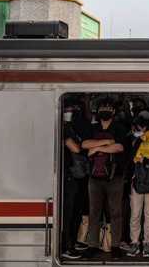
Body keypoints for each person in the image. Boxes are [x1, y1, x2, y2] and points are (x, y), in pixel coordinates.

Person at [81, 97, 129, 261]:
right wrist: (108, 142)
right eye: (103, 108)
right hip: (94, 177)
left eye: (109, 108)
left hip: (115, 177)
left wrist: (97, 148)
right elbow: (84, 144)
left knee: (115, 212)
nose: (105, 111)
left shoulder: (120, 128)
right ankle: (91, 245)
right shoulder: (92, 128)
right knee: (94, 212)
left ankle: (115, 246)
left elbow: (120, 147)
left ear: (114, 111)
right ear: (97, 110)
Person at [127, 113, 149, 258]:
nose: (136, 133)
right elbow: (130, 158)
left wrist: (145, 161)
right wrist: (140, 141)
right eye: (134, 130)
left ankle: (147, 243)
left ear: (145, 128)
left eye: (139, 129)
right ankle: (134, 243)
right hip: (137, 181)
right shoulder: (132, 139)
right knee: (135, 213)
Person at [61, 96, 88, 260]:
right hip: (68, 174)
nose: (71, 112)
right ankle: (66, 245)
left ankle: (72, 240)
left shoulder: (68, 127)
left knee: (75, 210)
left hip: (73, 174)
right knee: (68, 212)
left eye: (74, 109)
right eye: (69, 109)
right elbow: (76, 148)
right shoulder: (63, 129)